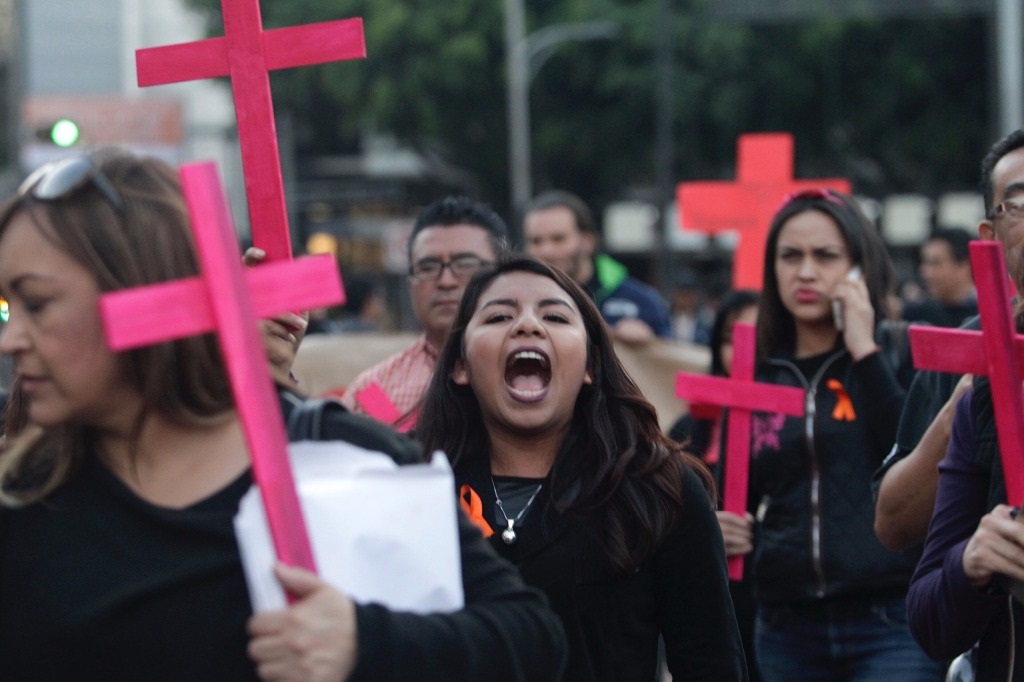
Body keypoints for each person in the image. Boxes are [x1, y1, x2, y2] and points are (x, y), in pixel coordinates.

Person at [0, 152, 568, 680]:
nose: (10, 340)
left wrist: (364, 639)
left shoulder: (340, 456)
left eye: (37, 304)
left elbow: (531, 637)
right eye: (7, 307)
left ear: (139, 293)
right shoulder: (27, 494)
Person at [417, 256, 747, 681]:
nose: (528, 325)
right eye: (500, 315)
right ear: (460, 365)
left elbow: (711, 665)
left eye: (554, 316)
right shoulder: (416, 489)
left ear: (590, 366)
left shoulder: (661, 488)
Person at [745, 188, 942, 680]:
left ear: (858, 267)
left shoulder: (898, 355)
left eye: (825, 256)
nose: (806, 272)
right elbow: (739, 485)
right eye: (790, 256)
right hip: (785, 625)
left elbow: (915, 459)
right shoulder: (759, 371)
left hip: (889, 621)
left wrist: (863, 349)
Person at [874, 129, 1024, 552]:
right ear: (990, 235)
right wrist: (961, 408)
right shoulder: (962, 355)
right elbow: (892, 526)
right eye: (1021, 205)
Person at [340, 196, 508, 424]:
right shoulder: (373, 392)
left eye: (465, 264)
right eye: (427, 267)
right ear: (411, 284)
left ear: (504, 276)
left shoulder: (533, 372)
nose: (446, 281)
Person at [668, 288, 762, 681]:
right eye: (729, 339)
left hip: (775, 610)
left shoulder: (802, 426)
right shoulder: (687, 430)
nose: (741, 350)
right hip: (708, 610)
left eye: (759, 339)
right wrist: (703, 527)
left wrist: (763, 530)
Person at [523, 190, 672, 343]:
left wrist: (650, 342)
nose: (547, 251)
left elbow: (675, 360)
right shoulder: (515, 301)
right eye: (536, 241)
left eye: (558, 239)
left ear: (587, 241)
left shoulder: (641, 302)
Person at [902, 227, 977, 328]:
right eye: (924, 263)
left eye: (935, 264)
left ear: (964, 267)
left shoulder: (985, 315)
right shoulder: (919, 314)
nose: (925, 272)